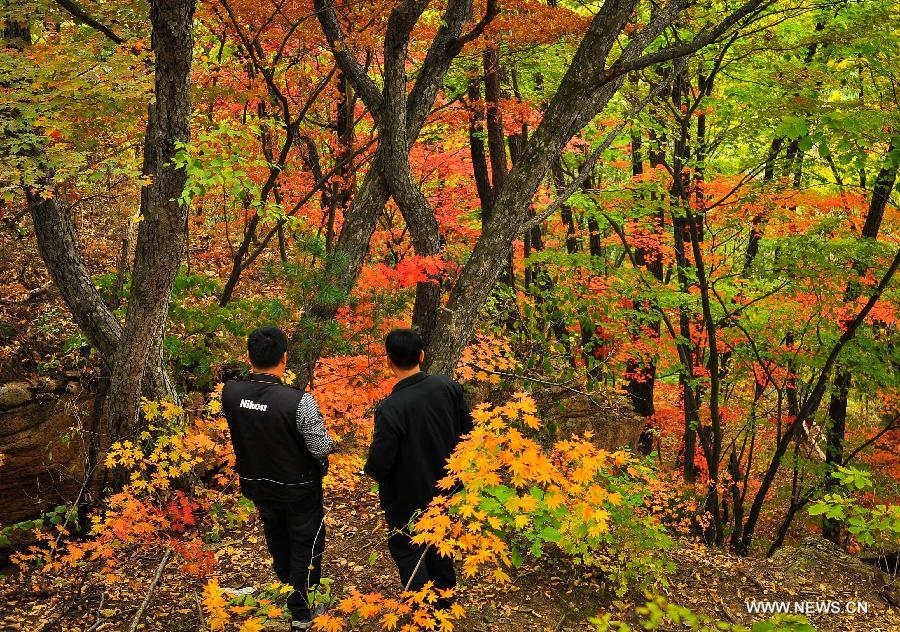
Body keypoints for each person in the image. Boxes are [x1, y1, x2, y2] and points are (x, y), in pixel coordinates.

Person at [221, 326, 334, 631]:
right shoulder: (299, 401)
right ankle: (302, 610)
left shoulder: (230, 393)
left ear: (248, 357)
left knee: (276, 536)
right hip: (299, 486)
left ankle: (288, 588)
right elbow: (320, 447)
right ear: (284, 358)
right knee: (306, 543)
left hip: (256, 482)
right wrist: (332, 443)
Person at [364, 328, 473, 606]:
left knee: (408, 552)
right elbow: (468, 433)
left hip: (405, 499)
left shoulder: (391, 408)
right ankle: (445, 603)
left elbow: (380, 464)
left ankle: (423, 610)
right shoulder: (448, 387)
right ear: (422, 356)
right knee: (439, 545)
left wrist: (370, 468)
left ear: (389, 361)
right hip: (447, 489)